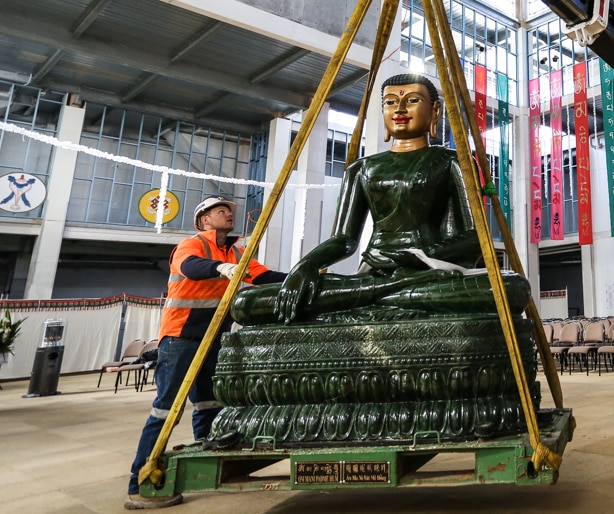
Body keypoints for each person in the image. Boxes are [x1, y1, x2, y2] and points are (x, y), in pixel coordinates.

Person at [231, 73, 530, 326]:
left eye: (412, 100)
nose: (399, 108)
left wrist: (420, 254)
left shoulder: (452, 161)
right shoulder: (362, 168)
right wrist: (305, 266)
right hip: (373, 275)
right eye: (390, 102)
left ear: (435, 112)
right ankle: (386, 293)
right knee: (245, 302)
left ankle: (371, 299)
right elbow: (344, 240)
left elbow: (475, 237)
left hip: (431, 273)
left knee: (510, 287)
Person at [125, 194, 286, 510]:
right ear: (204, 220)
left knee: (210, 404)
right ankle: (140, 483)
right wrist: (220, 267)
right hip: (181, 338)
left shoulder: (237, 252)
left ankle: (208, 461)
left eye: (229, 210)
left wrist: (301, 276)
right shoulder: (192, 245)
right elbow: (192, 268)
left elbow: (263, 276)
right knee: (165, 409)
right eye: (220, 210)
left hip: (214, 339)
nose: (228, 214)